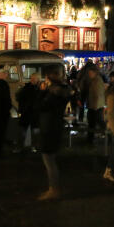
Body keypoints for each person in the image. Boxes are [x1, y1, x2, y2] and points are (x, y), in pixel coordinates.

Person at [36, 69, 74, 200]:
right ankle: (53, 188)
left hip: (49, 127)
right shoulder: (64, 91)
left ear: (48, 79)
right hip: (56, 126)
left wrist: (42, 92)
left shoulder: (52, 94)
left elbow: (41, 106)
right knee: (51, 159)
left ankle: (54, 189)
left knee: (48, 160)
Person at [16, 73, 41, 152]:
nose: (33, 80)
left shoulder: (39, 89)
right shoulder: (27, 88)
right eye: (32, 78)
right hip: (27, 112)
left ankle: (32, 146)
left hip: (34, 113)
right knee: (24, 131)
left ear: (38, 79)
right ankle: (23, 146)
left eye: (34, 78)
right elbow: (19, 97)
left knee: (34, 131)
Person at [85, 66, 106, 145]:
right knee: (94, 122)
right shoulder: (95, 80)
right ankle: (91, 139)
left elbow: (97, 94)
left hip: (95, 106)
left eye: (90, 73)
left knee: (94, 122)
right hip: (95, 105)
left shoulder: (97, 81)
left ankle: (91, 139)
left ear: (95, 73)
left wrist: (95, 106)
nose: (89, 74)